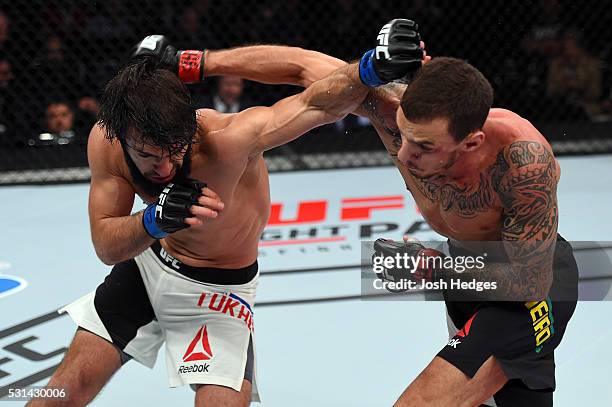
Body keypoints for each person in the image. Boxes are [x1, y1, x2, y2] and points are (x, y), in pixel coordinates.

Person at [30, 20, 426, 406]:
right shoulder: (106, 141)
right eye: (149, 156)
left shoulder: (227, 139)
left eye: (176, 150)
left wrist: (370, 69)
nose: (166, 168)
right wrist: (153, 220)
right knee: (60, 394)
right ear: (123, 136)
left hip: (221, 290)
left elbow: (315, 101)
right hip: (149, 268)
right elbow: (106, 245)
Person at [204, 44, 579, 406]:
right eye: (403, 134)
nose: (404, 154)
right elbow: (304, 65)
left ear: (471, 143)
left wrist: (437, 269)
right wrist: (199, 62)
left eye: (424, 147)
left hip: (530, 294)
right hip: (467, 281)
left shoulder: (522, 160)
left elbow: (530, 278)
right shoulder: (394, 111)